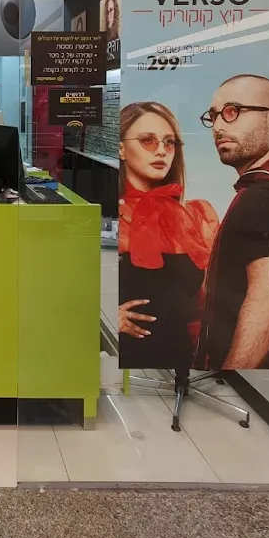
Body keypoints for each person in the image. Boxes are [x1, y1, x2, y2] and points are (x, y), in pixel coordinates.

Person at [117, 101, 218, 370]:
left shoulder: (195, 215)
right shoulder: (109, 212)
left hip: (182, 357)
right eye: (148, 140)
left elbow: (206, 301)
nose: (161, 150)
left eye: (169, 142)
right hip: (124, 357)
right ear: (121, 149)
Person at [197, 74, 269, 370]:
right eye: (213, 116)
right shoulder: (268, 187)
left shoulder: (262, 196)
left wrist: (231, 375)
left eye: (233, 111)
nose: (218, 126)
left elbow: (267, 304)